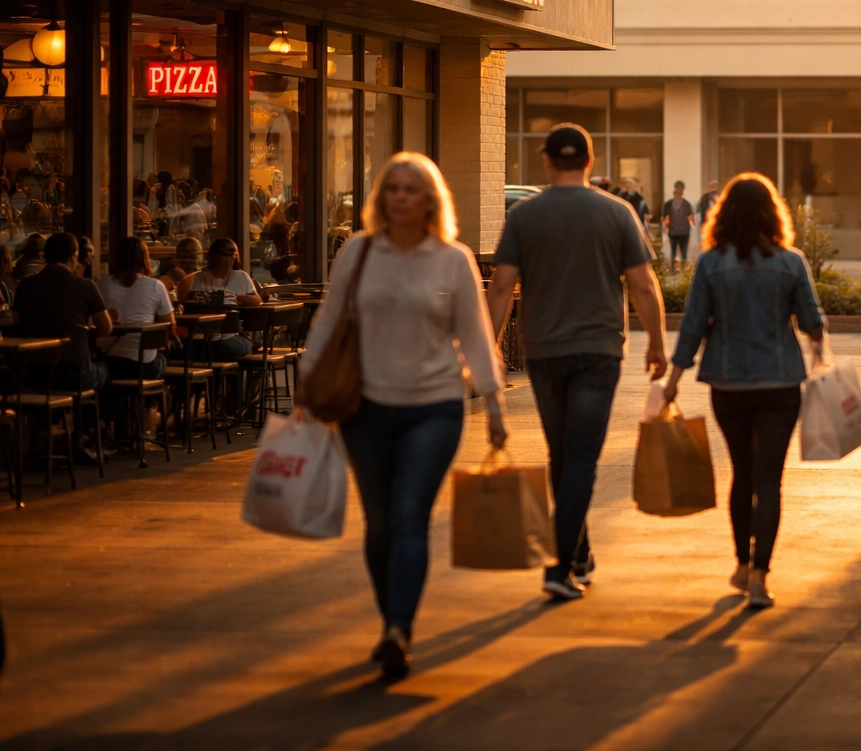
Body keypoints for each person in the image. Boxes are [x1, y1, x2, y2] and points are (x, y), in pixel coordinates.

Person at [300, 151, 505, 681]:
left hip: (434, 407)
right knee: (380, 523)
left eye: (411, 189)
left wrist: (494, 403)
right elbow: (329, 319)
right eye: (392, 188)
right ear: (380, 198)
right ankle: (390, 612)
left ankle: (398, 628)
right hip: (364, 406)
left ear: (430, 199)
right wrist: (305, 383)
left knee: (411, 515)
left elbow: (476, 335)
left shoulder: (453, 259)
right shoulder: (358, 252)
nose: (400, 197)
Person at [486, 123, 668, 601]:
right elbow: (643, 285)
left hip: (544, 351)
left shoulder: (525, 216)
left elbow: (501, 285)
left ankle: (578, 551)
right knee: (581, 458)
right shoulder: (618, 212)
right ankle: (559, 564)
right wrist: (656, 343)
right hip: (598, 352)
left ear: (546, 161)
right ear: (589, 161)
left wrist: (490, 347)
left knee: (563, 455)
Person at [661, 173, 825, 609]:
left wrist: (671, 384)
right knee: (770, 480)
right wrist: (817, 346)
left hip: (728, 383)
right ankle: (760, 579)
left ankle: (739, 563)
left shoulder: (712, 263)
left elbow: (693, 327)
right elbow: (812, 323)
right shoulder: (792, 262)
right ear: (774, 213)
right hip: (781, 383)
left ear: (725, 214)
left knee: (742, 474)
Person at [13, 233, 113, 463]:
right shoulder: (85, 285)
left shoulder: (25, 286)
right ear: (74, 256)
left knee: (59, 380)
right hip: (73, 373)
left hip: (30, 375)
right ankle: (82, 437)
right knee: (103, 373)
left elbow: (19, 324)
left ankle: (44, 433)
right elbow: (105, 327)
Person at [99, 237, 175, 435]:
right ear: (145, 258)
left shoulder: (102, 285)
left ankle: (113, 424)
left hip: (111, 361)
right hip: (144, 365)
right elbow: (170, 326)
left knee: (119, 372)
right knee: (160, 361)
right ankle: (145, 418)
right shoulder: (156, 286)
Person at [176, 237, 260, 360]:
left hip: (202, 343)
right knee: (248, 344)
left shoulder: (239, 276)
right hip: (217, 342)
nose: (221, 262)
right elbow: (258, 301)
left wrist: (237, 298)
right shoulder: (200, 277)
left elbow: (256, 300)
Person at [659, 181, 695, 269]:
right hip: (673, 231)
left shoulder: (687, 204)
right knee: (673, 251)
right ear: (674, 192)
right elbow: (663, 218)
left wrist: (692, 225)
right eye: (677, 191)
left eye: (680, 191)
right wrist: (665, 229)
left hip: (684, 232)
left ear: (682, 193)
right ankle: (672, 269)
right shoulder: (668, 204)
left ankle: (683, 270)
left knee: (684, 252)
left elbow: (691, 217)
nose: (678, 193)